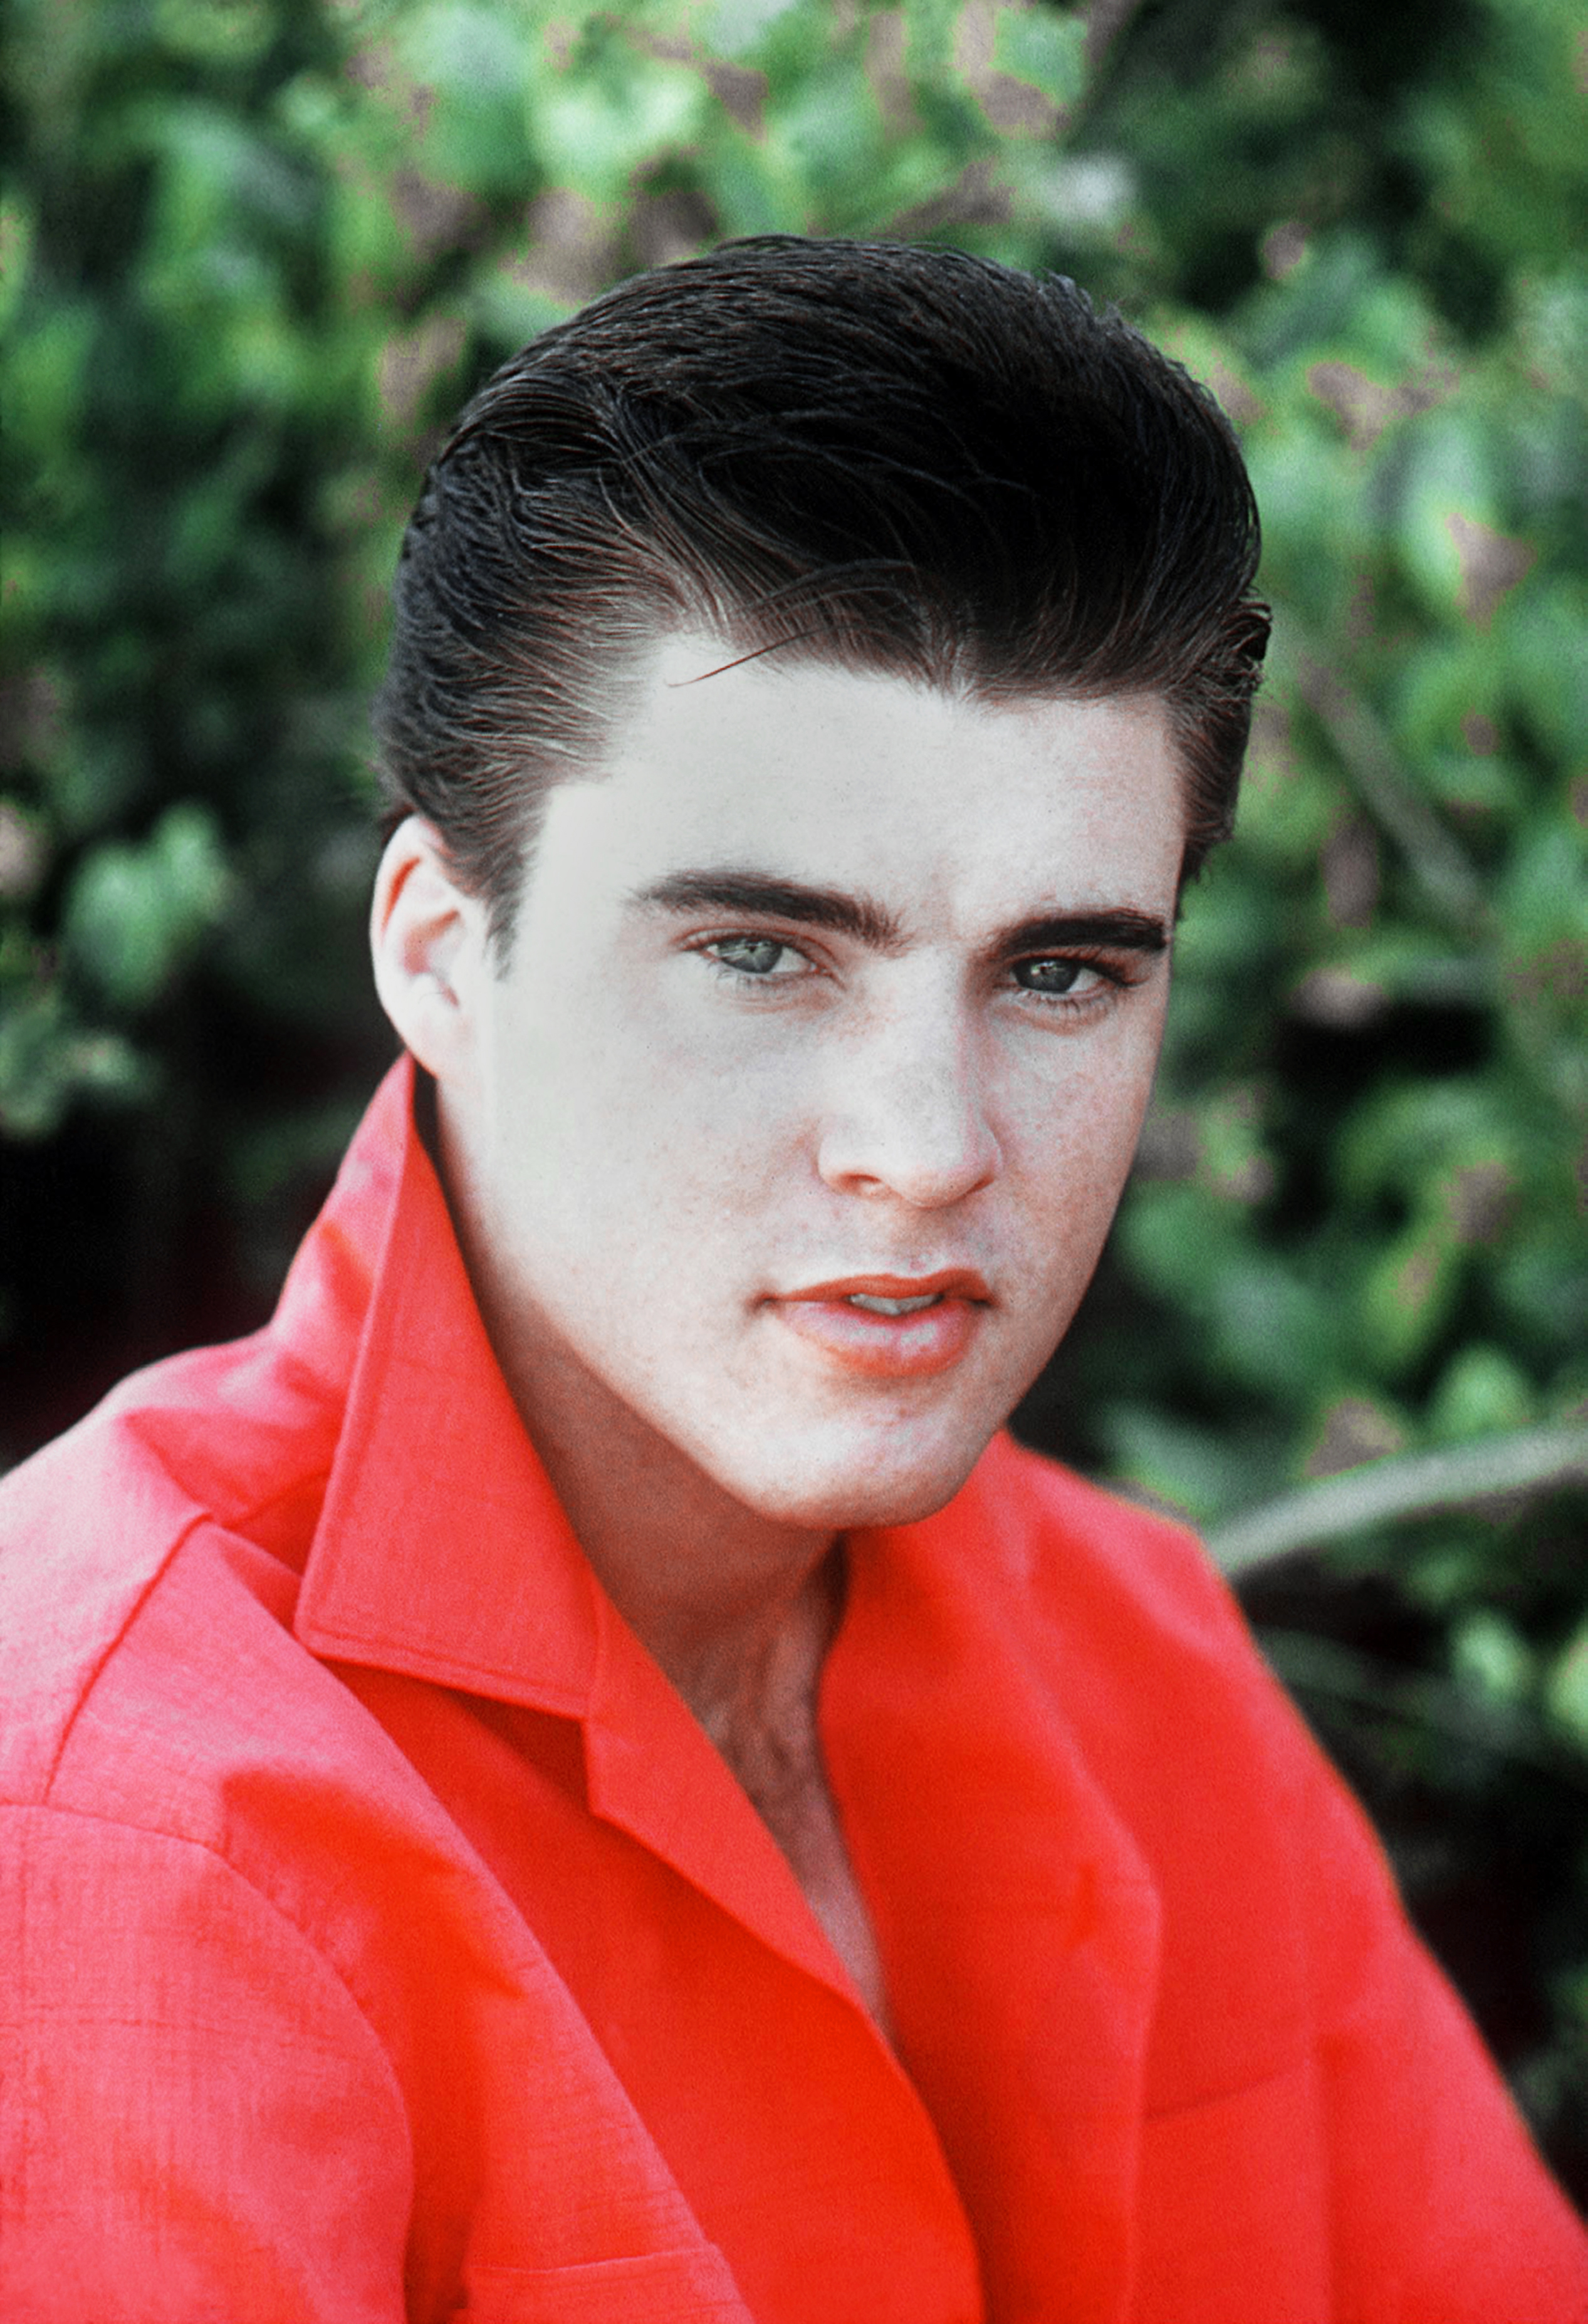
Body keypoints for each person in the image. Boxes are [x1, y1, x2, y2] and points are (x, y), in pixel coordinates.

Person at [1, 237, 1582, 2323]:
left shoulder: (1144, 1657)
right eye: (759, 954)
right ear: (438, 951)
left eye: (1062, 971)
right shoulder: (119, 1823)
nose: (928, 1147)